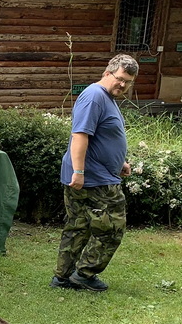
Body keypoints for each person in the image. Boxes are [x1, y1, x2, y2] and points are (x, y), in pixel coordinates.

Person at [52, 54, 137, 292]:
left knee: (78, 226)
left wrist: (119, 162)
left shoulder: (104, 97)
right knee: (112, 229)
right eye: (120, 78)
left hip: (96, 174)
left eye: (128, 82)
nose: (123, 84)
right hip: (94, 179)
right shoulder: (94, 97)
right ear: (107, 73)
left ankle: (62, 277)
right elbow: (80, 135)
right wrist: (79, 171)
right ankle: (84, 274)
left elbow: (102, 137)